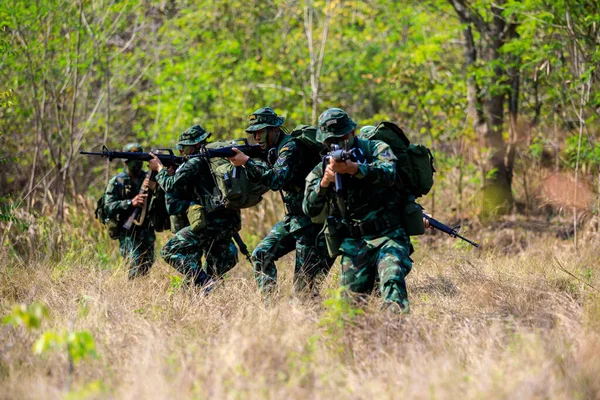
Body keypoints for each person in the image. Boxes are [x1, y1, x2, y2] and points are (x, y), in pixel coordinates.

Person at [303, 108, 413, 314]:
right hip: (354, 242)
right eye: (329, 141)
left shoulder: (376, 148)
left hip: (388, 234)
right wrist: (325, 183)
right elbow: (309, 208)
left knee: (392, 279)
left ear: (352, 133)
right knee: (349, 310)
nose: (334, 144)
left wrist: (356, 169)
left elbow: (389, 174)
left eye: (340, 138)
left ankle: (399, 337)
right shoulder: (323, 168)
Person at [228, 107, 334, 298]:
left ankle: (309, 322)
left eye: (261, 132)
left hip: (311, 222)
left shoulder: (290, 148)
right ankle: (272, 310)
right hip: (293, 219)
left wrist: (246, 162)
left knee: (304, 288)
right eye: (254, 133)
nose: (257, 137)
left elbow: (276, 180)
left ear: (275, 129)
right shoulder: (272, 149)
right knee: (261, 254)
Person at [148, 124, 240, 288]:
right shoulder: (211, 159)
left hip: (211, 222)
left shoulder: (196, 161)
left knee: (170, 250)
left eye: (184, 147)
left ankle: (205, 282)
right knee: (214, 264)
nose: (181, 151)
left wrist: (159, 168)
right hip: (227, 221)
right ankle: (207, 291)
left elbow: (171, 186)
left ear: (197, 145)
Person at [103, 142, 156, 279]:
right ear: (126, 162)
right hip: (127, 231)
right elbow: (107, 207)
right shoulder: (117, 182)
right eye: (134, 161)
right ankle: (132, 295)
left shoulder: (149, 178)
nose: (137, 164)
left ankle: (142, 296)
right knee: (134, 264)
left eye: (139, 160)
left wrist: (154, 188)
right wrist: (130, 203)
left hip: (146, 230)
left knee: (146, 265)